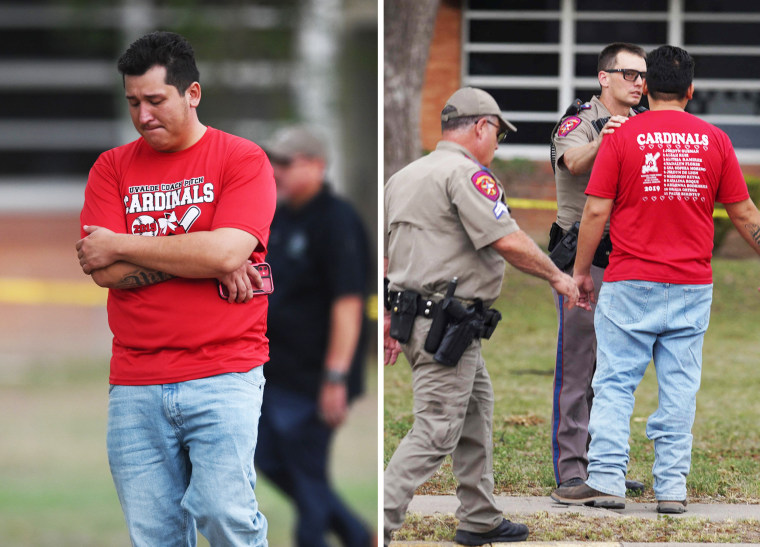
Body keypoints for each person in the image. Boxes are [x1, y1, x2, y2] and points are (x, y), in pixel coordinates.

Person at [75, 31, 276, 546]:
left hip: (224, 371)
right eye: (133, 103)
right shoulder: (111, 168)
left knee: (225, 515)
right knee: (155, 535)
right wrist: (204, 256)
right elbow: (104, 270)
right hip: (136, 380)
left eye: (155, 100)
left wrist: (127, 242)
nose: (143, 115)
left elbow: (227, 254)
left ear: (193, 94)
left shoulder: (242, 159)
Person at [552, 45, 760, 514]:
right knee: (680, 389)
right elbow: (744, 213)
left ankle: (606, 479)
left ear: (647, 86)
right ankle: (671, 489)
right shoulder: (716, 141)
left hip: (628, 280)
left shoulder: (622, 135)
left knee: (614, 383)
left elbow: (597, 209)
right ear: (691, 90)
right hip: (691, 284)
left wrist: (582, 272)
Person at [383, 87, 580, 546]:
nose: (497, 145)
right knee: (435, 430)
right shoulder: (468, 175)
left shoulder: (405, 175)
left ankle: (479, 516)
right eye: (497, 134)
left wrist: (392, 323)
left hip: (418, 321)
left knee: (475, 410)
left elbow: (389, 257)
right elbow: (506, 240)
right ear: (481, 126)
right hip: (446, 324)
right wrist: (557, 276)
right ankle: (379, 522)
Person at [255, 126, 373, 547]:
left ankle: (341, 536)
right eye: (274, 161)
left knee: (307, 478)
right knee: (265, 457)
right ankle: (357, 535)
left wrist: (335, 378)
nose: (275, 170)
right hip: (275, 370)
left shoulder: (337, 219)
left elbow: (348, 304)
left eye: (286, 162)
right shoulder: (279, 216)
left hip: (317, 375)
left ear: (317, 166)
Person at [548, 42, 647, 496]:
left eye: (643, 76)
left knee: (612, 371)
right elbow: (571, 160)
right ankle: (572, 471)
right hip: (580, 261)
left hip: (626, 260)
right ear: (604, 77)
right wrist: (607, 135)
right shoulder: (579, 122)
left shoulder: (643, 124)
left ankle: (603, 465)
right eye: (629, 74)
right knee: (577, 366)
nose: (638, 83)